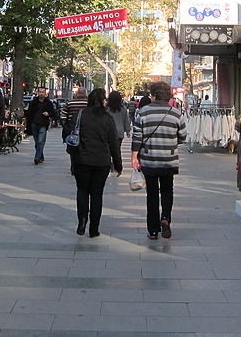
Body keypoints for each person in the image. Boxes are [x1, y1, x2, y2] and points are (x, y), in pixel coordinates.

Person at [131, 81, 186, 240]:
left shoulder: (143, 112)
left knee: (152, 194)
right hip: (169, 159)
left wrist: (135, 156)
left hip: (149, 160)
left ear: (153, 95)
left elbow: (137, 137)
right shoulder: (175, 113)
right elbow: (183, 136)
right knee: (168, 190)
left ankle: (153, 230)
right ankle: (166, 218)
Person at [72, 88, 122, 238]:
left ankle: (82, 221)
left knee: (82, 191)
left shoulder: (80, 116)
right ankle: (94, 228)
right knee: (96, 194)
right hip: (101, 161)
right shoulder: (107, 119)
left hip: (82, 159)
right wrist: (118, 165)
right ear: (102, 101)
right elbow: (114, 144)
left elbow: (68, 133)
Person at [25, 86, 55, 165]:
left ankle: (37, 157)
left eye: (43, 92)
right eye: (40, 92)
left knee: (41, 141)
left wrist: (48, 114)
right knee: (37, 142)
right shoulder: (33, 102)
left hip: (43, 124)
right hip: (34, 124)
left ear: (45, 93)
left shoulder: (48, 103)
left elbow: (53, 113)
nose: (41, 94)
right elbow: (29, 113)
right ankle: (41, 156)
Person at [62, 87, 89, 173]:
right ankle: (82, 165)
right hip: (86, 130)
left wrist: (66, 126)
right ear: (85, 94)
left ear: (77, 93)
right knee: (85, 148)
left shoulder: (70, 103)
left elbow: (63, 116)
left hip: (72, 130)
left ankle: (73, 166)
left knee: (73, 148)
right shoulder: (88, 103)